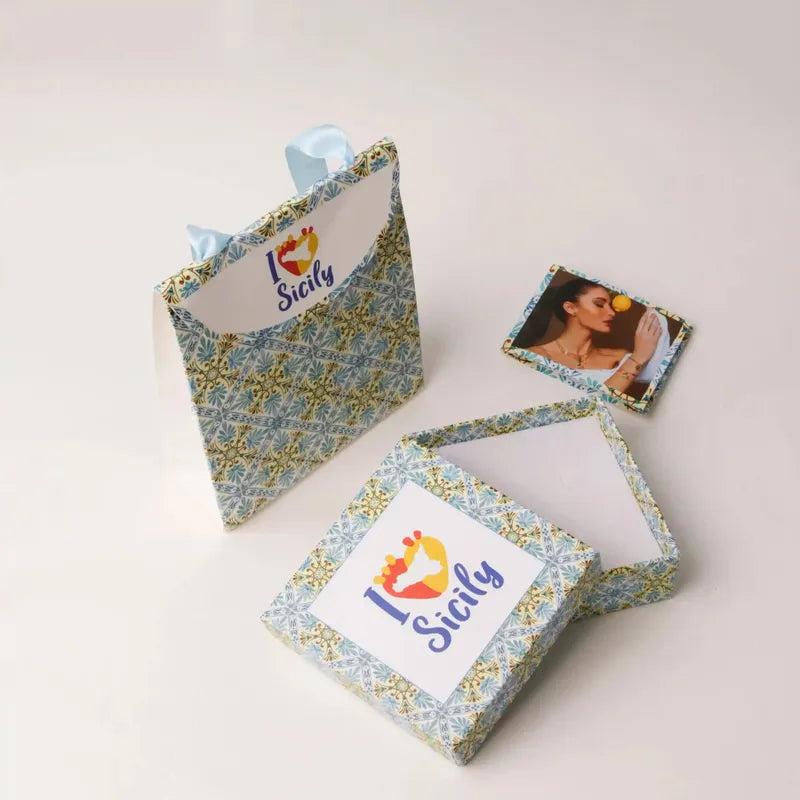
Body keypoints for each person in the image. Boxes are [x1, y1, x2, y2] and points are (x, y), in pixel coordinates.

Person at [524, 278, 669, 394]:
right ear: (571, 308)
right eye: (599, 304)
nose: (611, 313)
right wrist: (637, 358)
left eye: (610, 305)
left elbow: (657, 370)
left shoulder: (618, 357)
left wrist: (647, 297)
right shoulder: (538, 355)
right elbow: (589, 404)